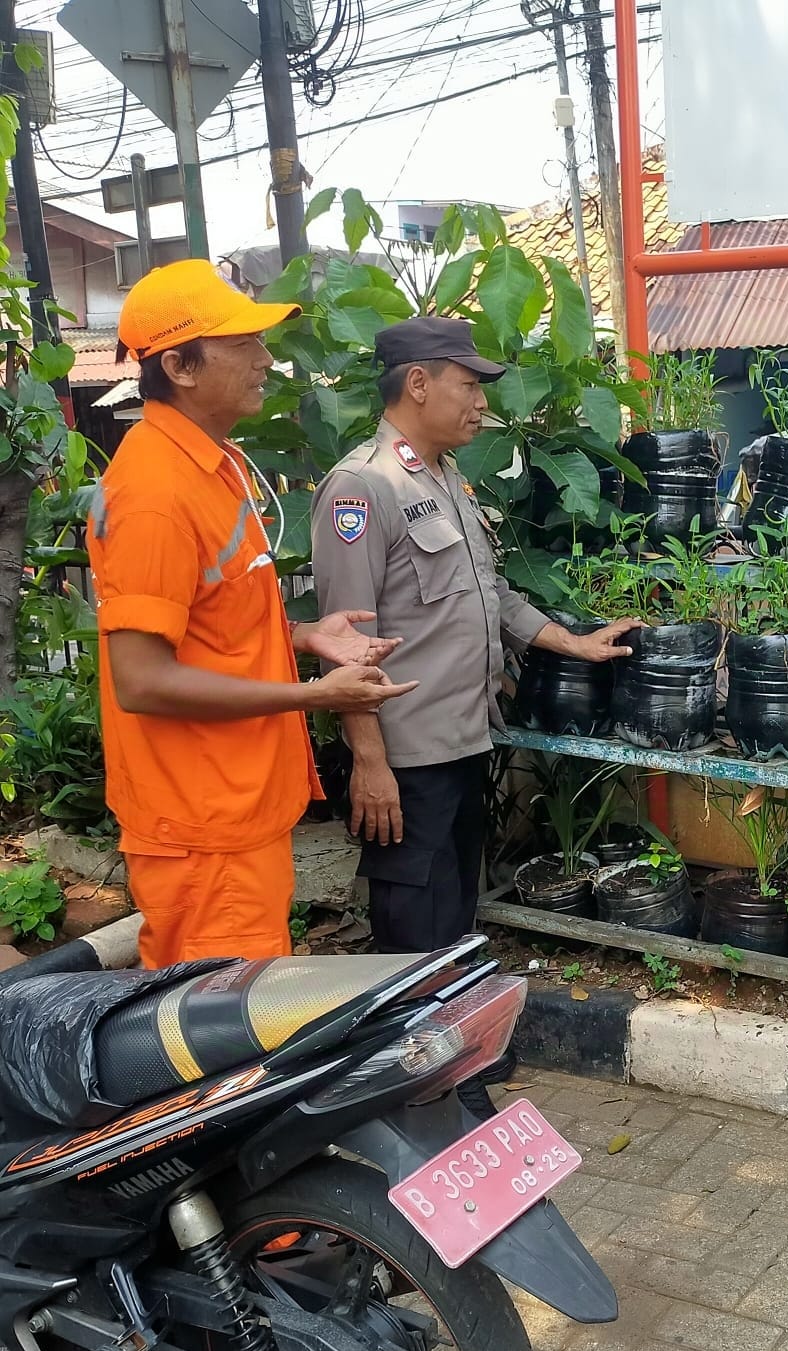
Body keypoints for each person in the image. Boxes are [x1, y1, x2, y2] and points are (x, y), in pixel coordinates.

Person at [310, 318, 639, 1039]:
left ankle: (455, 1057)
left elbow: (492, 596)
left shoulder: (446, 479)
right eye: (468, 386)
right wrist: (369, 761)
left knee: (455, 920)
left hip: (465, 740)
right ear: (418, 384)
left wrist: (573, 643)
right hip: (407, 757)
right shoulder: (362, 488)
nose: (482, 403)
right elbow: (346, 643)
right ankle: (410, 1067)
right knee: (413, 930)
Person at [88, 259, 417, 970]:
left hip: (232, 810)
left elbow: (208, 623)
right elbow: (142, 679)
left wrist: (303, 635)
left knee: (241, 1004)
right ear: (179, 366)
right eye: (242, 344)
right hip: (203, 824)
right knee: (214, 1023)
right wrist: (315, 695)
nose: (266, 359)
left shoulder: (212, 465)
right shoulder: (154, 494)